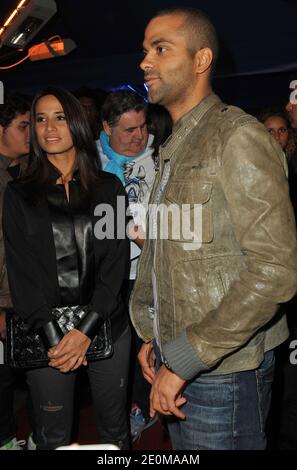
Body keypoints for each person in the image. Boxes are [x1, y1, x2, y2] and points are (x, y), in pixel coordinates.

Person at [129, 7, 297, 450]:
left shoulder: (237, 137)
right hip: (180, 357)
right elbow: (165, 253)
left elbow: (275, 272)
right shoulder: (176, 146)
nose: (145, 62)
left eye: (160, 49)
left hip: (224, 373)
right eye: (145, 50)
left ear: (201, 60)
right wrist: (153, 333)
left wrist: (182, 359)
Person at [2, 87, 131, 450]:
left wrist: (85, 329)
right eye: (40, 119)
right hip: (46, 335)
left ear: (75, 122)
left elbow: (115, 263)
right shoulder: (19, 193)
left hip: (107, 324)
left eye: (59, 117)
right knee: (53, 438)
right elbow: (21, 272)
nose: (49, 127)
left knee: (115, 435)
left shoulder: (109, 189)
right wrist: (56, 337)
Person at [97, 89, 158, 441]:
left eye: (143, 126)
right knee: (120, 353)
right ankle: (128, 412)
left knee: (151, 346)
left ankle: (147, 407)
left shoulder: (159, 157)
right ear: (106, 127)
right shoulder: (90, 162)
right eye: (128, 130)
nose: (139, 137)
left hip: (149, 272)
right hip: (111, 277)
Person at [0, 92, 30, 451]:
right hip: (6, 301)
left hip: (27, 298)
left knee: (37, 380)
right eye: (23, 126)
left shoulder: (28, 173)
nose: (31, 133)